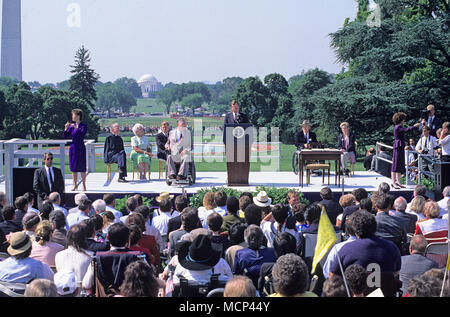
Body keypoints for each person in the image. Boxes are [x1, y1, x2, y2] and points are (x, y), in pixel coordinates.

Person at [329, 210, 402, 297]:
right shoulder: (392, 247)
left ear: (355, 231)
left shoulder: (346, 249)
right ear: (375, 228)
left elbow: (333, 277)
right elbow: (396, 272)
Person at [391, 112, 421, 189]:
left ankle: (398, 182)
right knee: (395, 164)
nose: (404, 121)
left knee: (399, 164)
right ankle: (393, 182)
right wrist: (414, 126)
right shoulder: (398, 127)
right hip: (398, 146)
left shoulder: (398, 127)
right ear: (400, 120)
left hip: (400, 146)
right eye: (403, 119)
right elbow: (406, 130)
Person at [63, 109, 88, 191]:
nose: (72, 117)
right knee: (74, 167)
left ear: (78, 116)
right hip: (73, 147)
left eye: (73, 115)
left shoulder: (83, 126)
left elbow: (82, 133)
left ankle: (84, 185)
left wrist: (76, 127)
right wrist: (66, 128)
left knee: (82, 167)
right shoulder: (71, 126)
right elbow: (65, 136)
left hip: (80, 147)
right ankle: (75, 185)